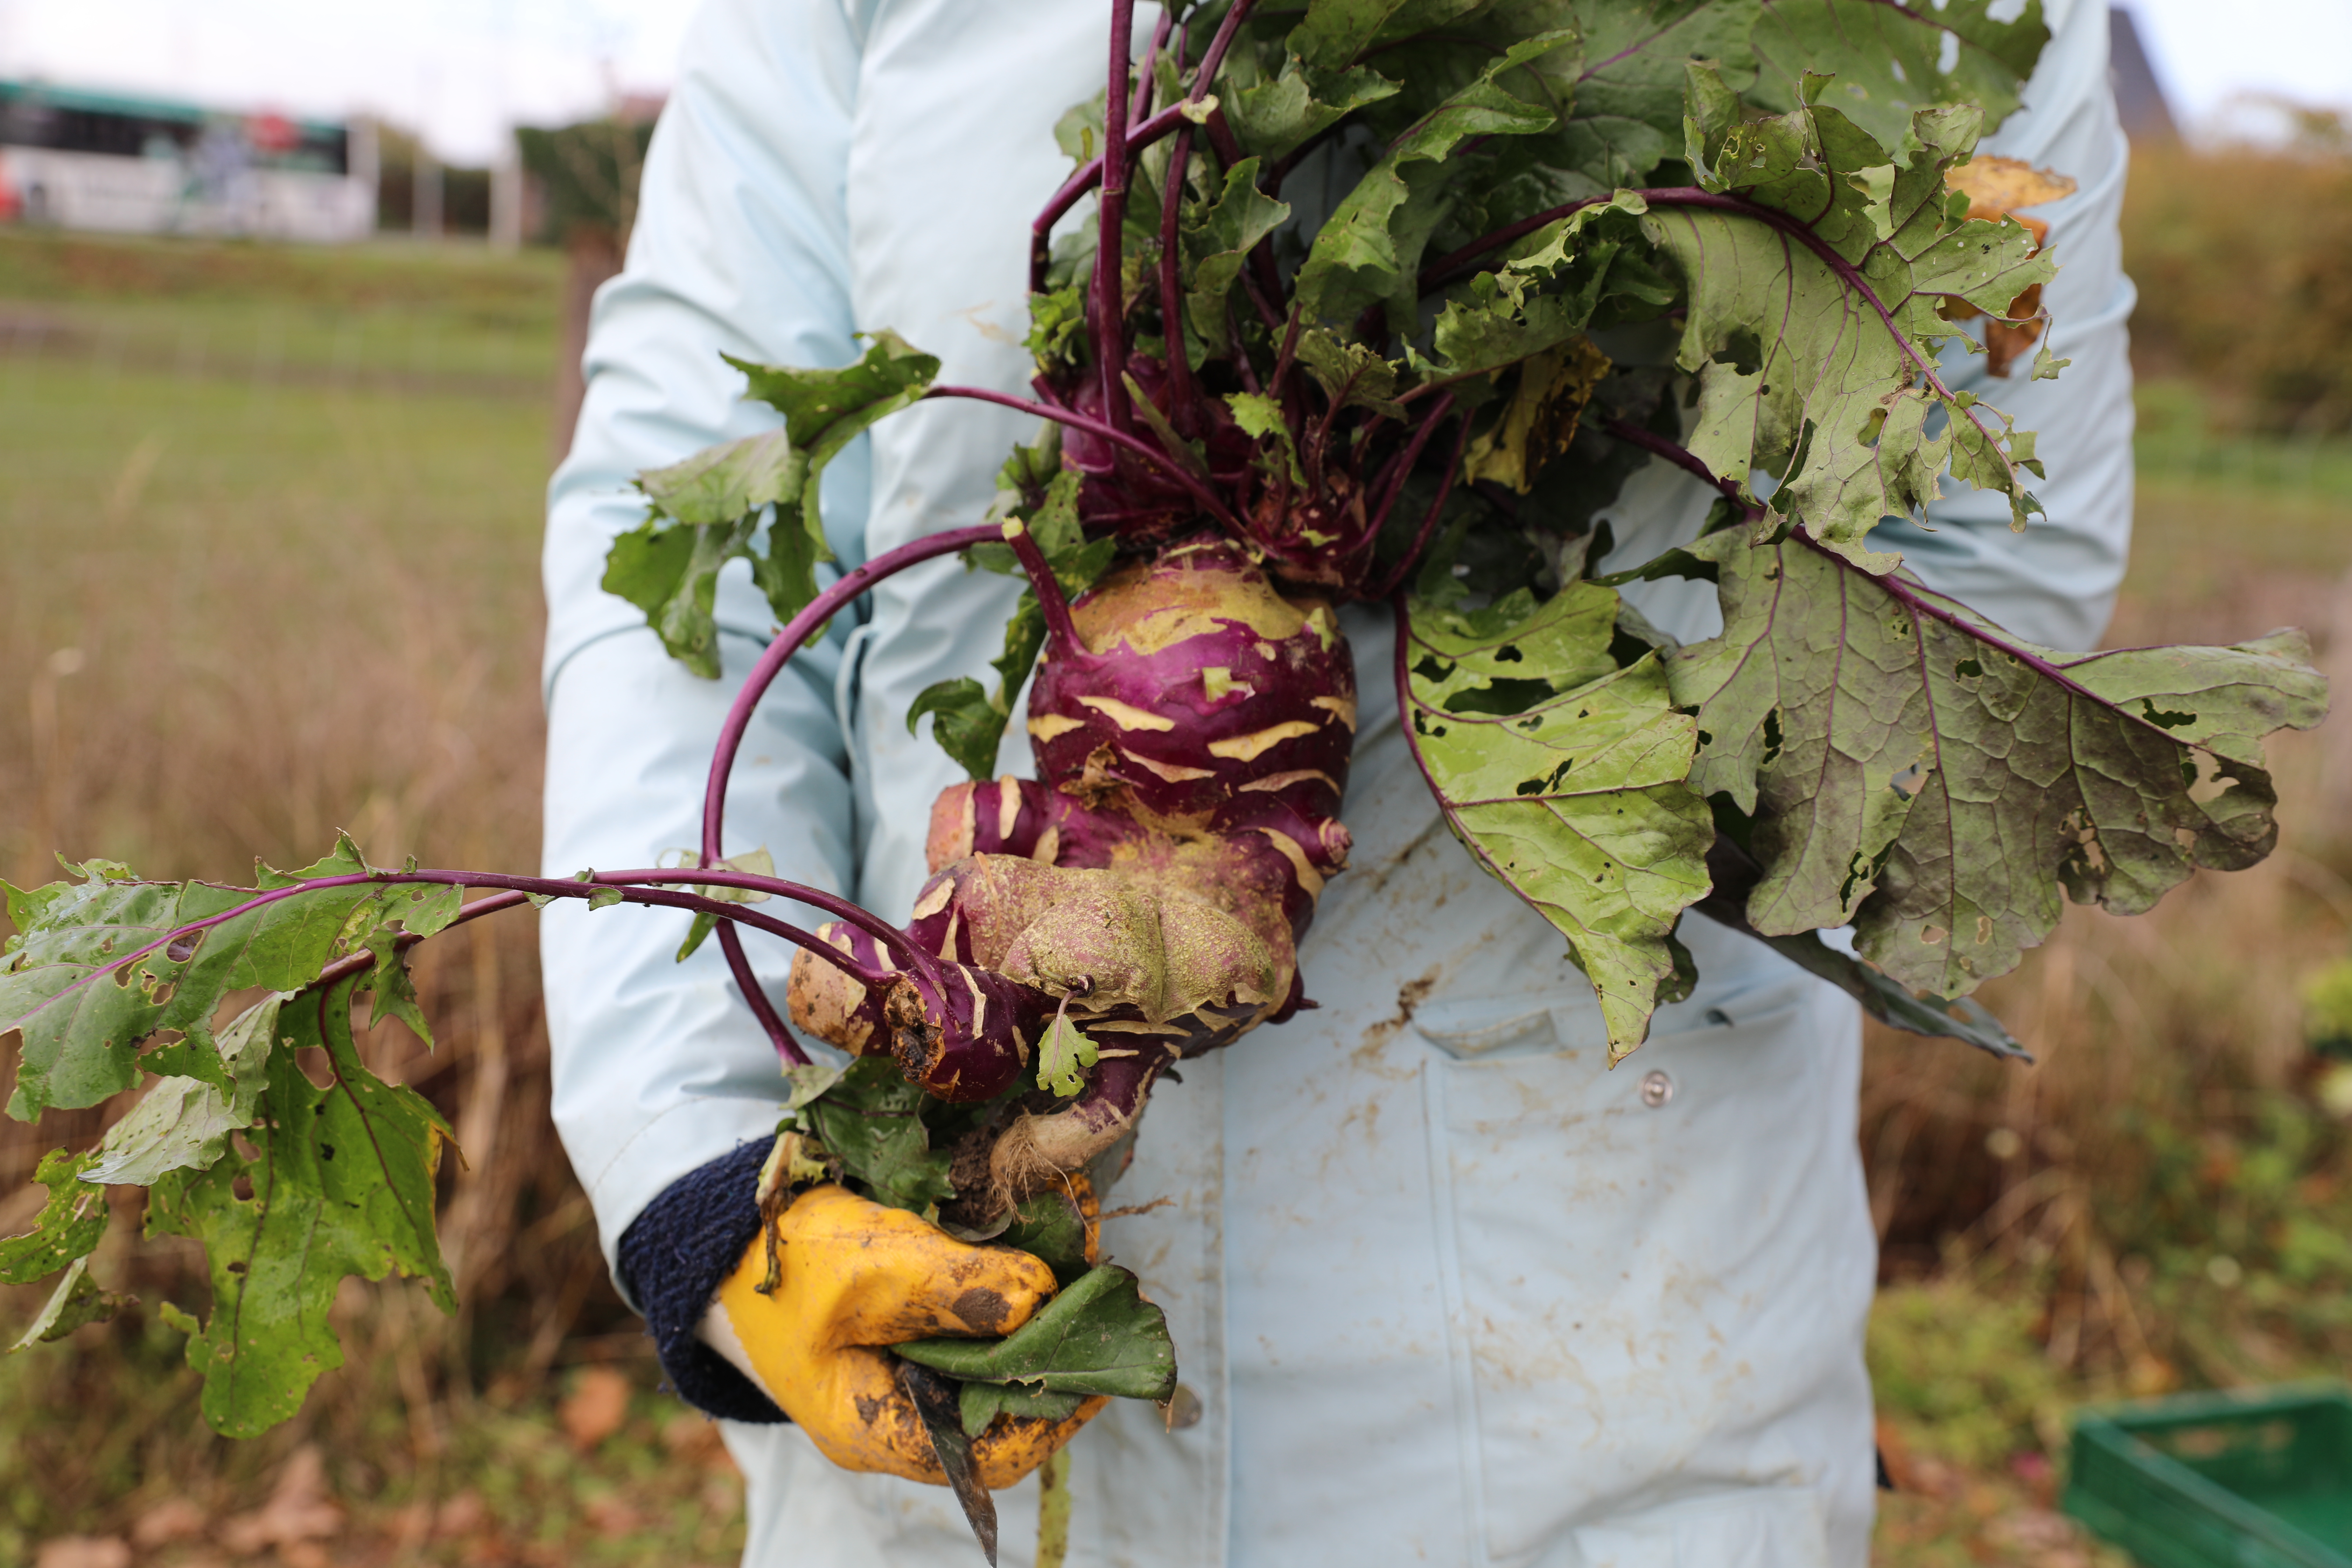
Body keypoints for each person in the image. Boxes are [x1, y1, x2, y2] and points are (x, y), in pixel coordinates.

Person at [538, 1, 2135, 1561]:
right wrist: (705, 1173)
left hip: (1599, 1326)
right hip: (925, 1255)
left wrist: (1553, 762)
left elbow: (1986, 577)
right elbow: (689, 557)